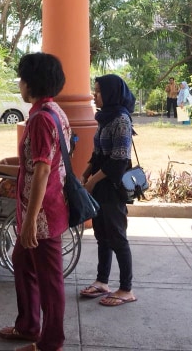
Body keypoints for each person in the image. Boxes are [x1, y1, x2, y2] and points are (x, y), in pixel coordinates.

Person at [0, 52, 70, 351]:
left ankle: (50, 343)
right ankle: (28, 325)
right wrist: (3, 169)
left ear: (31, 83)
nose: (19, 84)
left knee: (50, 281)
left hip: (43, 214)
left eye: (22, 79)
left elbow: (44, 169)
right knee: (22, 263)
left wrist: (32, 220)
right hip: (39, 210)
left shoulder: (40, 119)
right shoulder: (54, 111)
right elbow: (36, 166)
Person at [79, 74, 137, 307]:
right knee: (102, 235)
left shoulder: (121, 120)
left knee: (117, 237)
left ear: (112, 93)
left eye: (99, 91)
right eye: (95, 90)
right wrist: (85, 173)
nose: (95, 95)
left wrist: (92, 181)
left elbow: (118, 160)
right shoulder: (105, 117)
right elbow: (98, 154)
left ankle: (126, 289)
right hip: (100, 185)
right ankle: (102, 281)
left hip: (112, 187)